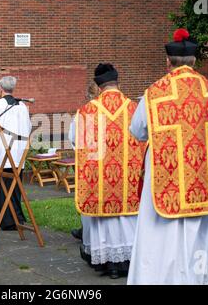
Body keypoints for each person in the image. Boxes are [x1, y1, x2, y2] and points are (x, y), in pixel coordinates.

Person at [127, 29, 208, 285]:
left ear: (168, 61)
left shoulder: (155, 93)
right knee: (196, 237)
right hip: (201, 180)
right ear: (194, 61)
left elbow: (137, 130)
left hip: (164, 175)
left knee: (158, 237)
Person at [73, 63, 146, 279]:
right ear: (118, 83)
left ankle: (106, 263)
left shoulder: (87, 111)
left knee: (104, 221)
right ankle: (125, 263)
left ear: (98, 86)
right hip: (128, 178)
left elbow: (80, 145)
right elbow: (144, 137)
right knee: (126, 220)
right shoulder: (134, 108)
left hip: (101, 179)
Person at [0, 76, 32, 231]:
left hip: (1, 152)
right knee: (14, 186)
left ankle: (4, 219)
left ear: (0, 88)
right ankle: (16, 217)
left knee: (0, 186)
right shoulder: (22, 106)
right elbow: (28, 128)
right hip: (18, 153)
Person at [69, 83, 100, 241]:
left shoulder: (83, 114)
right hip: (112, 163)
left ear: (89, 96)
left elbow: (72, 138)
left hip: (88, 162)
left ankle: (87, 233)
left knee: (89, 197)